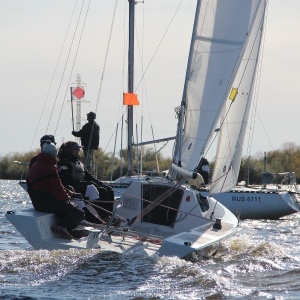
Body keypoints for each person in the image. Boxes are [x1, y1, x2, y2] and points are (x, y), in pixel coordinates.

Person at [27, 141, 89, 240]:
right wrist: (68, 196)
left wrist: (67, 193)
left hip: (38, 203)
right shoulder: (49, 167)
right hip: (48, 204)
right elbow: (58, 191)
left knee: (67, 208)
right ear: (53, 154)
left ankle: (68, 230)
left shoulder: (35, 166)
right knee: (79, 212)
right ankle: (61, 226)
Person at [57, 141, 114, 219]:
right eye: (77, 149)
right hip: (73, 188)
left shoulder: (79, 163)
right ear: (71, 150)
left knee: (109, 189)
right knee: (102, 191)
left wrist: (100, 183)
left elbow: (88, 177)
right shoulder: (64, 163)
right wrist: (88, 183)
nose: (79, 150)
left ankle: (110, 215)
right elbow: (67, 181)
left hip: (83, 186)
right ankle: (105, 217)